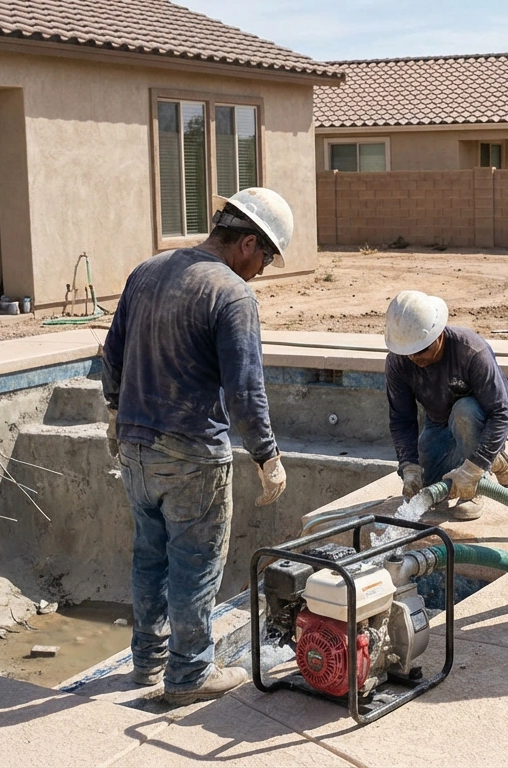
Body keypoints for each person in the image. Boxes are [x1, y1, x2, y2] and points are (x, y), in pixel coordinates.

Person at [101, 188, 292, 703]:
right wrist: (267, 456)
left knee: (149, 557)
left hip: (137, 448)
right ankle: (189, 676)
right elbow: (245, 391)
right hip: (192, 456)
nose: (263, 270)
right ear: (247, 243)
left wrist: (116, 413)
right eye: (267, 258)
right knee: (194, 564)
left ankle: (147, 662)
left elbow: (112, 353)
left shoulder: (147, 271)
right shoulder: (230, 294)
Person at [384, 290, 508, 520]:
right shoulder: (398, 362)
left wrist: (475, 467)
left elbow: (501, 412)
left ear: (438, 335)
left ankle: (479, 483)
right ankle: (486, 460)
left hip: (480, 419)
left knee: (463, 412)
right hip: (438, 423)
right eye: (408, 352)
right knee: (428, 485)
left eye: (420, 350)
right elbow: (401, 419)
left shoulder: (470, 351)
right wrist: (409, 466)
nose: (414, 358)